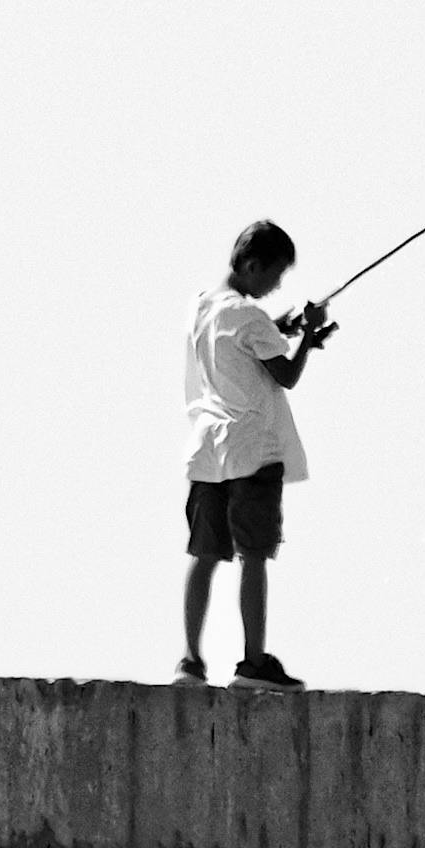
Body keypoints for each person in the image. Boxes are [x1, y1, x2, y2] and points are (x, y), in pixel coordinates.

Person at [178, 220, 334, 687]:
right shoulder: (249, 318)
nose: (276, 286)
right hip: (252, 451)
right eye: (275, 275)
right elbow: (285, 374)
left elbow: (239, 343)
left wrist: (281, 326)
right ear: (252, 265)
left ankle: (190, 662)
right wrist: (306, 338)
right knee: (254, 557)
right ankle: (253, 662)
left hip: (208, 453)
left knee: (204, 555)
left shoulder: (202, 306)